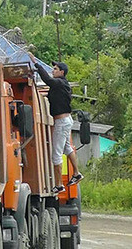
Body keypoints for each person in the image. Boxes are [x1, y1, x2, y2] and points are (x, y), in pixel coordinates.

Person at [28, 52, 84, 193]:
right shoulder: (60, 86)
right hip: (66, 120)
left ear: (62, 72)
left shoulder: (59, 83)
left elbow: (48, 80)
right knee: (67, 148)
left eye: (55, 69)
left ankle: (59, 185)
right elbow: (52, 93)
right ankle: (76, 173)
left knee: (56, 154)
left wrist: (36, 63)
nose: (52, 71)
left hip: (61, 121)